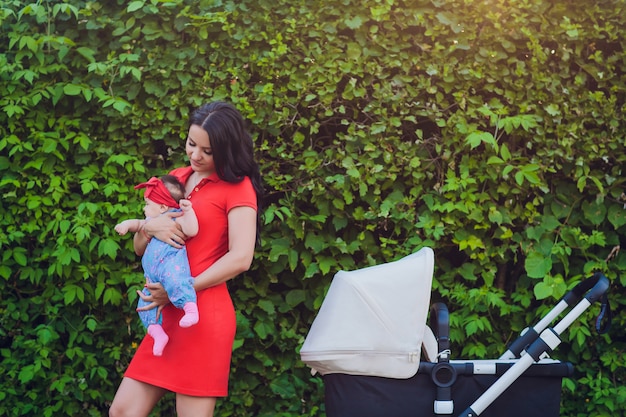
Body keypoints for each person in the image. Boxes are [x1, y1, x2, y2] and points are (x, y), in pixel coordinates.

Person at [109, 101, 264, 417]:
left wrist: (180, 290)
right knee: (122, 412)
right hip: (166, 317)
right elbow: (140, 247)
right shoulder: (175, 179)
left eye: (207, 151)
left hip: (203, 316)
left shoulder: (238, 188)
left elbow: (241, 258)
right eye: (192, 144)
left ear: (227, 150)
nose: (195, 155)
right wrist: (149, 227)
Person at [114, 175, 200, 356]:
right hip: (152, 277)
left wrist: (189, 211)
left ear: (162, 206)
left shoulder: (177, 218)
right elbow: (137, 224)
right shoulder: (150, 222)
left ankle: (190, 309)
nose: (144, 208)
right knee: (143, 305)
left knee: (178, 283)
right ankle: (158, 333)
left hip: (171, 268)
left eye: (147, 204)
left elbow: (192, 230)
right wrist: (124, 225)